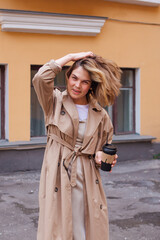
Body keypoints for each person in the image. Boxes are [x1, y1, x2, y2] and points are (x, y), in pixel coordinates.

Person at [32, 52, 121, 240]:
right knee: (58, 228)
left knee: (84, 227)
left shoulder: (100, 114)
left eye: (84, 82)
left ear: (91, 85)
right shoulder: (54, 102)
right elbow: (41, 77)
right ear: (68, 75)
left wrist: (102, 157)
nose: (77, 85)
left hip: (87, 177)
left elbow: (106, 146)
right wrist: (72, 57)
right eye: (74, 78)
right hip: (58, 174)